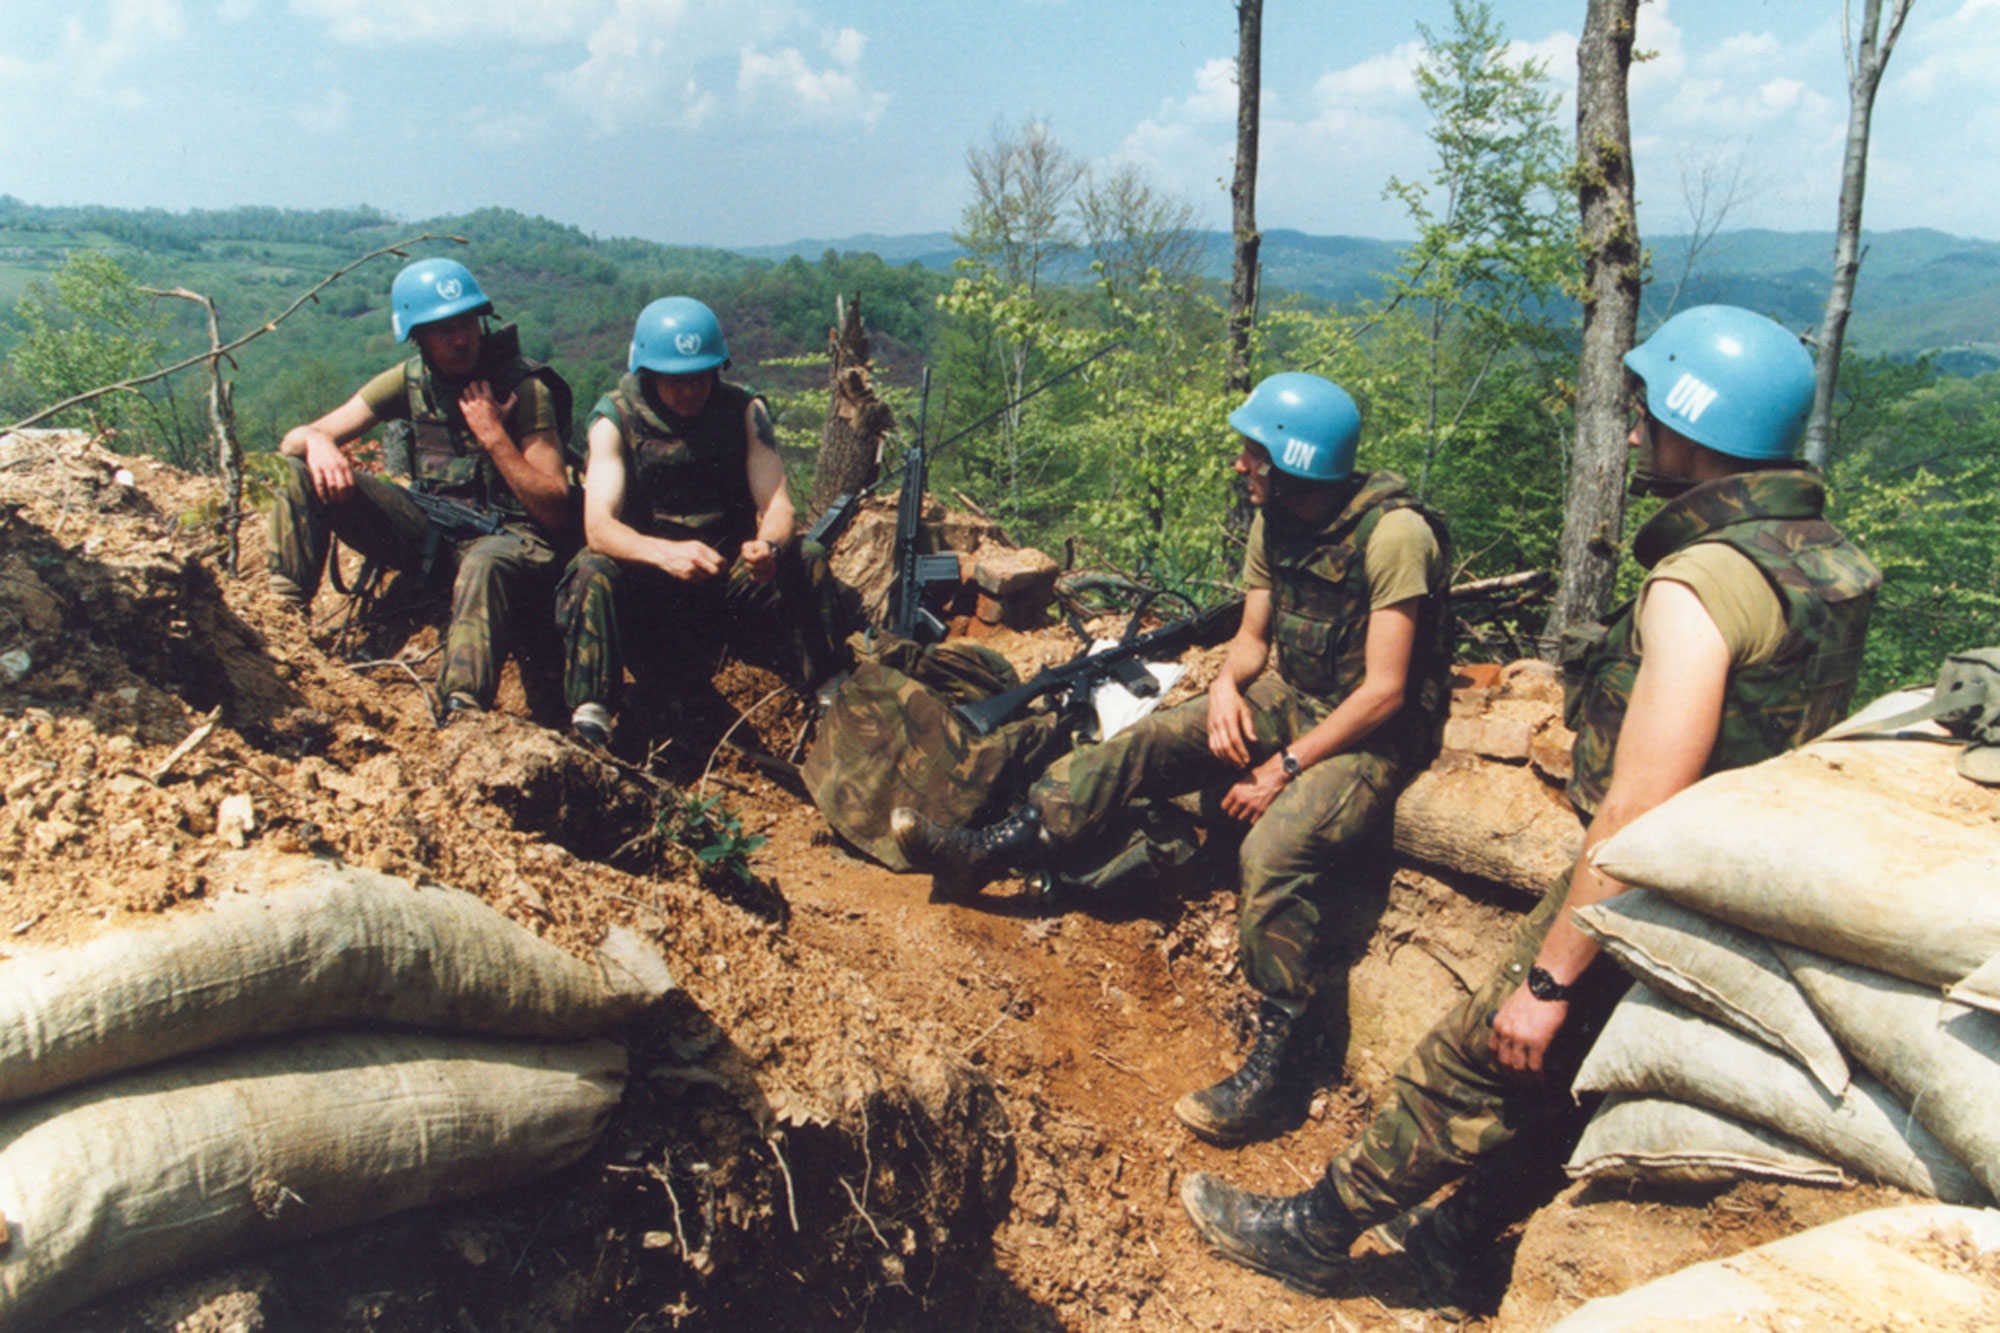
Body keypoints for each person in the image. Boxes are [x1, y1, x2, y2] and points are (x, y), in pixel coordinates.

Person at [1177, 305, 1883, 1297]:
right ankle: (1458, 1237)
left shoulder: (1701, 581)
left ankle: (1310, 1230)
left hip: (1649, 881)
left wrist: (1548, 980)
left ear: (1694, 421)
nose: (1635, 432)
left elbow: (1640, 800)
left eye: (1647, 414)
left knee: (1472, 1060)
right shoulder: (1831, 561)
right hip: (1741, 878)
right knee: (1578, 1080)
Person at [894, 372, 1454, 1145]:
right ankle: (995, 850)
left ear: (1294, 459)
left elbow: (1385, 692)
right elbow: (1254, 638)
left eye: (1254, 453)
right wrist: (1226, 685)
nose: (1240, 466)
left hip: (1366, 735)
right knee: (1153, 740)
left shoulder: (1394, 537)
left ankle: (1281, 1062)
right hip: (1295, 697)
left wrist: (1283, 768)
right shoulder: (1278, 519)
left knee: (1275, 847)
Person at [267, 256, 573, 720]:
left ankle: (463, 709)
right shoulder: (412, 380)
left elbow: (553, 508)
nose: (459, 338)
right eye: (441, 328)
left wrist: (493, 436)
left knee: (484, 559)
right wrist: (317, 440)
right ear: (417, 336)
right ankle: (281, 621)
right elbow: (294, 441)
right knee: (302, 470)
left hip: (511, 543)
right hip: (433, 530)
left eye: (467, 322)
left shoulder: (524, 388)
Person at [556, 296, 848, 745]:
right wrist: (662, 553)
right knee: (590, 571)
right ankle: (593, 714)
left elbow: (777, 503)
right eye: (675, 381)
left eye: (699, 379)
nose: (689, 392)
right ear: (648, 374)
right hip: (648, 588)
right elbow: (599, 527)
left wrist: (766, 547)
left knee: (805, 555)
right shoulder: (614, 420)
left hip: (724, 581)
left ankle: (829, 690)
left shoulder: (746, 412)